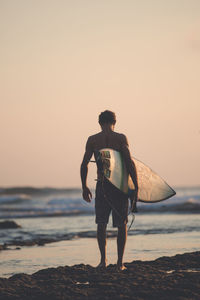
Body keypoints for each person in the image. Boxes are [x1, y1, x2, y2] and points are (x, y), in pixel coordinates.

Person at [80, 110, 138, 271]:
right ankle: (120, 263)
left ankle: (103, 261)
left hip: (102, 184)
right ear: (115, 122)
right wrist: (136, 186)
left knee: (101, 223)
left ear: (99, 122)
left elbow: (84, 164)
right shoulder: (120, 138)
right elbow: (129, 162)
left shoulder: (93, 140)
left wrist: (84, 186)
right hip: (119, 186)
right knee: (122, 224)